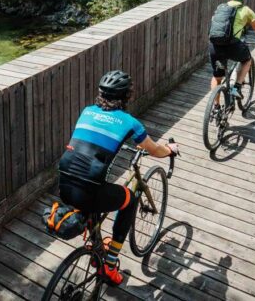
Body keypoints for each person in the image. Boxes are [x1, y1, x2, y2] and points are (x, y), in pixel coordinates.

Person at [58, 70, 178, 286]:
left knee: (91, 194)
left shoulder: (87, 111)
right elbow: (154, 150)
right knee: (129, 200)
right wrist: (169, 150)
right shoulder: (130, 122)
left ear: (100, 94)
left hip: (64, 184)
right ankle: (111, 264)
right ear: (126, 96)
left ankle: (96, 248)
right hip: (89, 190)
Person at [208, 0, 255, 104]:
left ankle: (216, 108)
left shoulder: (220, 7)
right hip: (232, 46)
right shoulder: (246, 10)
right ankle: (236, 87)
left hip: (215, 45)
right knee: (247, 60)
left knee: (217, 78)